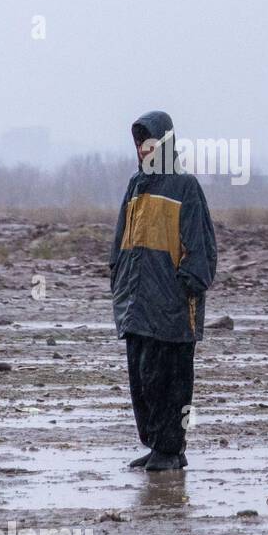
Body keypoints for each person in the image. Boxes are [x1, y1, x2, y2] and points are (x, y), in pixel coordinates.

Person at [109, 111, 218, 471]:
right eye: (140, 144)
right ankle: (156, 445)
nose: (144, 150)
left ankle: (172, 449)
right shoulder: (135, 186)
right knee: (142, 380)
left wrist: (187, 286)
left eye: (151, 143)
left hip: (171, 307)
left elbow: (201, 248)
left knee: (171, 380)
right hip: (136, 304)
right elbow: (120, 244)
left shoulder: (186, 187)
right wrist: (118, 279)